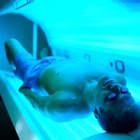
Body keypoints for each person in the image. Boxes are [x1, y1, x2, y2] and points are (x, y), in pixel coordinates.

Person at [5, 38, 140, 138]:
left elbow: (38, 103)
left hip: (35, 70)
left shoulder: (65, 105)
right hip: (60, 60)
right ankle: (44, 55)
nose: (116, 88)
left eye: (111, 97)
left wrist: (25, 91)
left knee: (10, 42)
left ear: (97, 112)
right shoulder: (118, 79)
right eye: (124, 91)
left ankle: (17, 71)